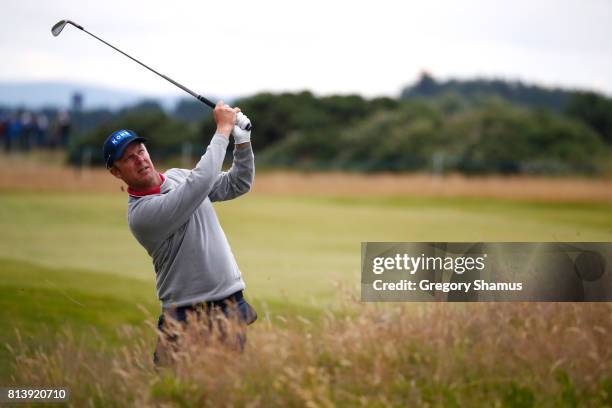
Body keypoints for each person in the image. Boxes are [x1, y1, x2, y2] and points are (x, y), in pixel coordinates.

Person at [102, 101, 257, 365]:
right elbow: (198, 185)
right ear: (116, 172)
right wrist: (222, 129)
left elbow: (237, 183)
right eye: (129, 158)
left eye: (140, 150)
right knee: (176, 393)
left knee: (227, 391)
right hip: (186, 313)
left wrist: (242, 143)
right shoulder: (141, 215)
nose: (140, 159)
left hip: (229, 304)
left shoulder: (177, 176)